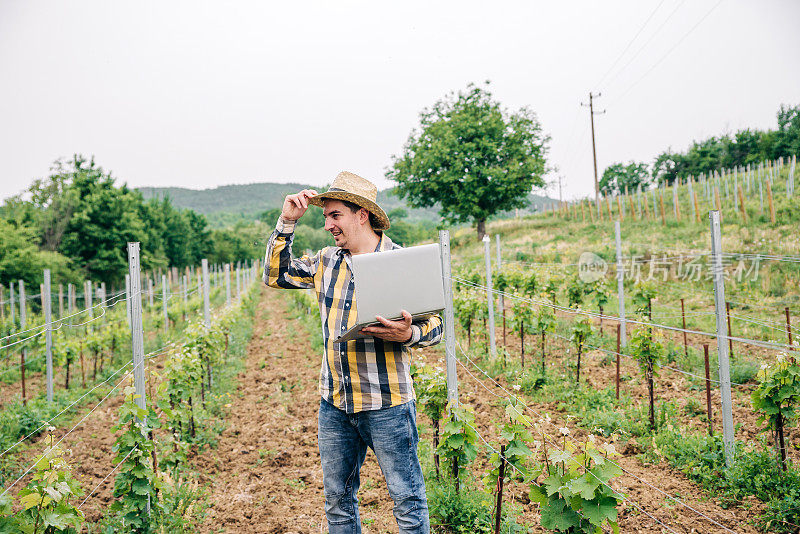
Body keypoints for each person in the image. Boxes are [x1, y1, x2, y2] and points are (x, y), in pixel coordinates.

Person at [263, 170, 442, 534]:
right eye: (325, 216)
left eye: (335, 215)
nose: (327, 224)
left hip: (387, 403)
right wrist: (286, 222)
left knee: (407, 500)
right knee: (338, 501)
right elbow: (275, 275)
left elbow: (437, 325)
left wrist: (408, 334)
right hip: (335, 403)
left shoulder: (400, 261)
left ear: (362, 214)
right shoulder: (327, 260)